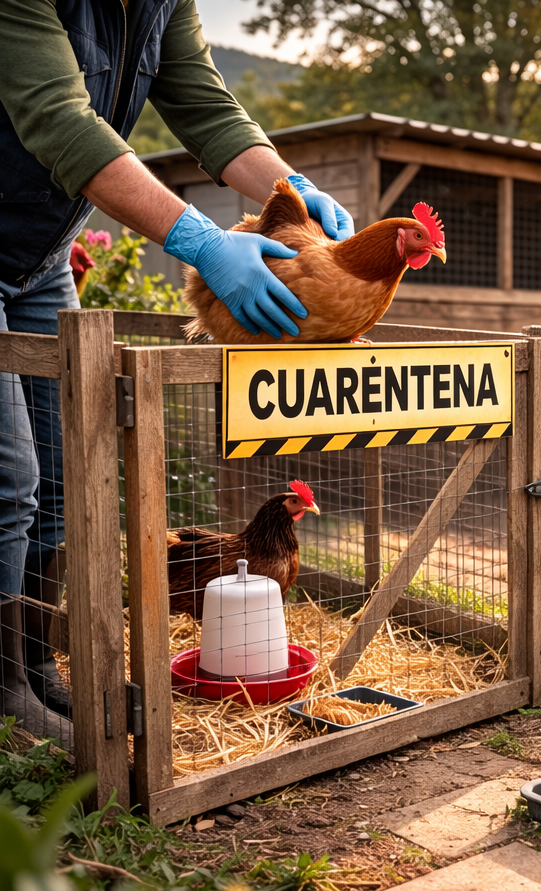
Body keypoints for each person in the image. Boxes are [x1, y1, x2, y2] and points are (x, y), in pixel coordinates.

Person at [0, 0, 352, 744]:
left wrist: (291, 192)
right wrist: (200, 239)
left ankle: (32, 664)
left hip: (39, 260)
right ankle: (2, 693)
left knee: (67, 473)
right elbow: (60, 120)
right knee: (9, 480)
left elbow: (203, 103)